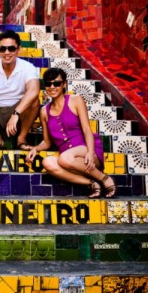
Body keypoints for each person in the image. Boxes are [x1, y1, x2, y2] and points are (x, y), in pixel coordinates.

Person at [26, 68, 116, 198]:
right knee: (47, 162)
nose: (52, 87)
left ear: (64, 84)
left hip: (87, 150)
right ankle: (91, 183)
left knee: (64, 158)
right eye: (48, 84)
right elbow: (47, 141)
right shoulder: (44, 111)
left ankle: (104, 178)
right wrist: (36, 148)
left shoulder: (75, 100)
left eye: (56, 83)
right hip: (68, 160)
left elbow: (86, 129)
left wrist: (90, 152)